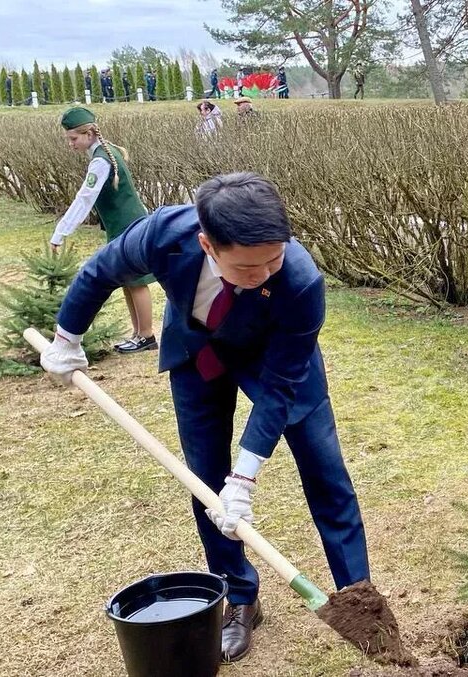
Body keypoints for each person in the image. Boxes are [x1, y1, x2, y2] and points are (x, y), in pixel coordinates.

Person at [38, 172, 380, 663]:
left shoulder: (301, 282)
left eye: (273, 260)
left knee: (326, 474)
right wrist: (66, 339)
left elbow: (280, 390)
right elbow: (100, 272)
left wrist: (247, 476)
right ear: (207, 245)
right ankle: (240, 598)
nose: (262, 273)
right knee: (206, 481)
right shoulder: (162, 234)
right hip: (198, 357)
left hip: (277, 363)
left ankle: (359, 601)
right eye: (245, 267)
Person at [49, 107, 156, 353]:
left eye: (73, 138)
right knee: (128, 279)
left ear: (88, 134)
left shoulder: (100, 160)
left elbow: (84, 199)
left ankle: (147, 335)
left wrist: (61, 231)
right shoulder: (102, 153)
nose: (70, 144)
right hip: (121, 225)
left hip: (128, 224)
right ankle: (138, 333)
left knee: (137, 280)